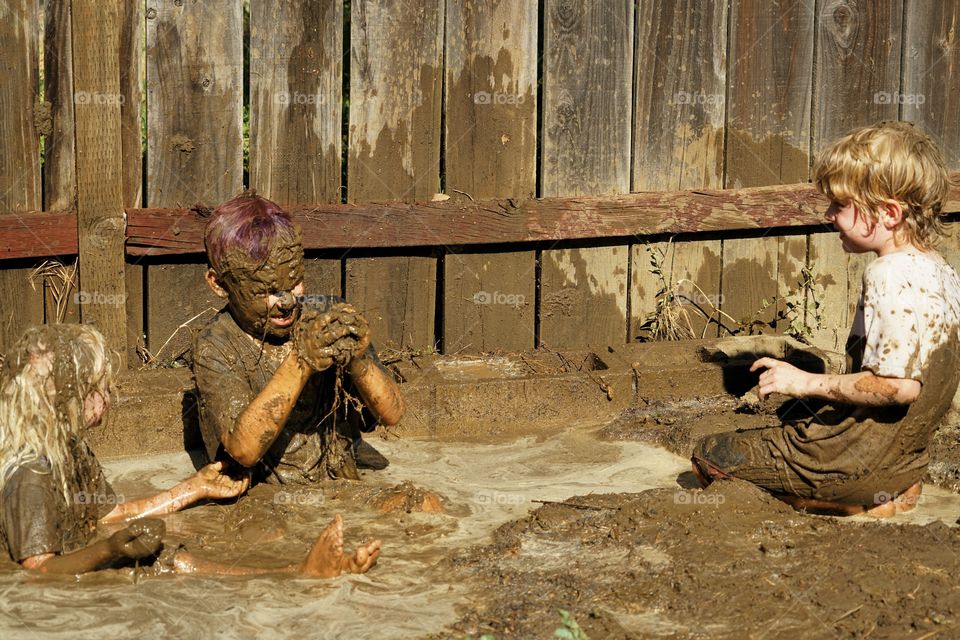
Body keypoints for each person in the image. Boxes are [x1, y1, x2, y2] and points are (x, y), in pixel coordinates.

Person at [691, 121, 960, 516]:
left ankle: (846, 501)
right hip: (906, 461)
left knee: (709, 453)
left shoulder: (888, 274)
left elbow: (899, 387)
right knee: (796, 419)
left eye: (840, 204)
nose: (829, 214)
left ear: (888, 212)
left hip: (856, 465)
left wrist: (804, 381)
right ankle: (895, 490)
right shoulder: (941, 270)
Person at [0, 324, 380, 576]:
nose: (110, 396)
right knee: (172, 562)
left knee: (177, 557)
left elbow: (112, 514)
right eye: (100, 388)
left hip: (79, 557)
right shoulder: (31, 471)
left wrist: (194, 488)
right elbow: (39, 575)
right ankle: (298, 574)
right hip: (62, 580)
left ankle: (296, 572)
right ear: (69, 399)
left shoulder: (69, 447)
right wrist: (110, 551)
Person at [193, 192, 404, 485]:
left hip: (339, 483)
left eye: (294, 283)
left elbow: (392, 415)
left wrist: (358, 359)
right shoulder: (215, 346)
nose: (287, 301)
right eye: (267, 291)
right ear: (218, 284)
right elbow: (243, 450)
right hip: (265, 498)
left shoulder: (325, 316)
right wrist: (302, 360)